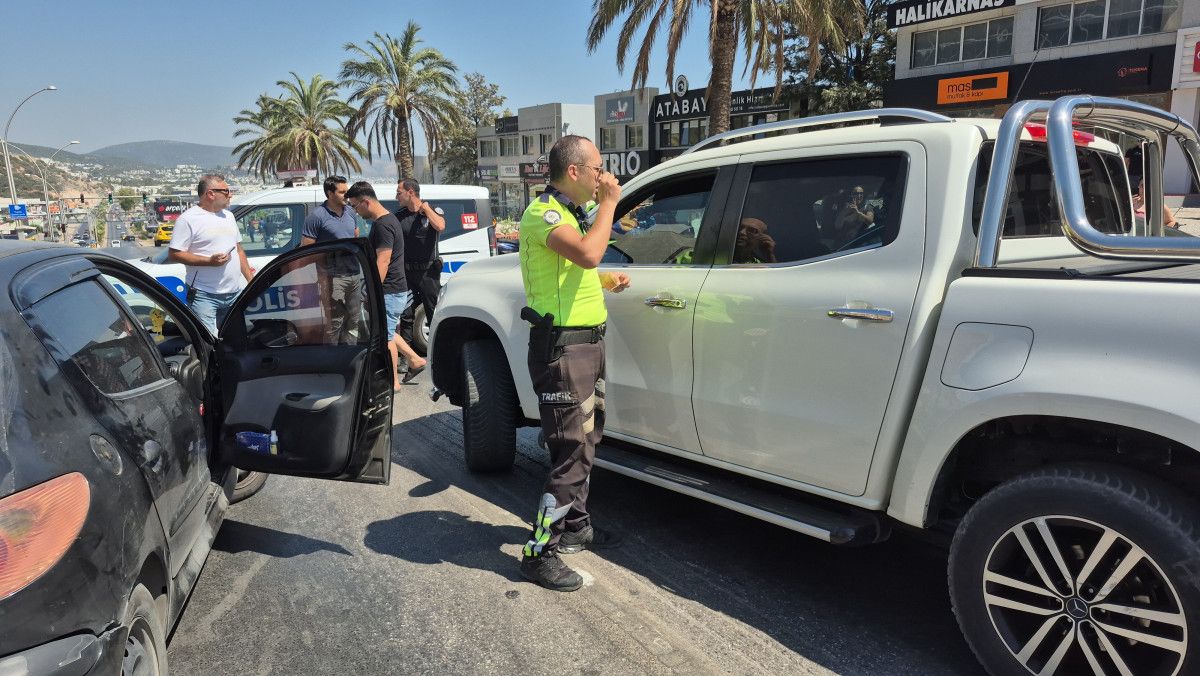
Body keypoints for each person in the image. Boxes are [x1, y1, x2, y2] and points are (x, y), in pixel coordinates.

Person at [517, 135, 632, 592]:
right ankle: (538, 553)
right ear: (575, 171)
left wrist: (603, 280)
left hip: (588, 345)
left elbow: (570, 271)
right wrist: (611, 203)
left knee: (588, 438)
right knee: (572, 451)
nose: (604, 176)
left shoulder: (571, 213)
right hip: (563, 352)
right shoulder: (543, 213)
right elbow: (586, 253)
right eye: (598, 168)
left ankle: (575, 528)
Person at [345, 181, 428, 389]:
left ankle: (393, 383)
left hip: (389, 290)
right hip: (392, 289)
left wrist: (372, 290)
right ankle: (415, 360)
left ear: (366, 202)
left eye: (355, 206)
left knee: (386, 337)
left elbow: (383, 260)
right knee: (387, 330)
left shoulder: (383, 225)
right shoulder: (388, 219)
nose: (355, 212)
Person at [168, 175, 254, 334]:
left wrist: (250, 280)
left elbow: (238, 249)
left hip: (234, 293)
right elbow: (174, 254)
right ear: (210, 194)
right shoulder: (188, 219)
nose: (230, 195)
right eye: (226, 191)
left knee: (235, 339)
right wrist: (209, 261)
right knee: (207, 342)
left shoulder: (228, 216)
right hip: (203, 295)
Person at [302, 176, 363, 344]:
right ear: (330, 193)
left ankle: (350, 353)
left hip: (354, 274)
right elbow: (306, 250)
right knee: (334, 323)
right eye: (342, 192)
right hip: (332, 278)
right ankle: (332, 355)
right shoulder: (317, 216)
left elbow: (356, 237)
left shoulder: (350, 212)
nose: (347, 195)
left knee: (354, 320)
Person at [393, 178, 445, 347]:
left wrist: (426, 209)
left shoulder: (432, 210)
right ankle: (406, 356)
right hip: (407, 274)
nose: (396, 197)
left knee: (433, 312)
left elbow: (440, 226)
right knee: (406, 314)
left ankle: (439, 351)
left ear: (411, 192)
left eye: (399, 193)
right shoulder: (398, 216)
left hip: (428, 274)